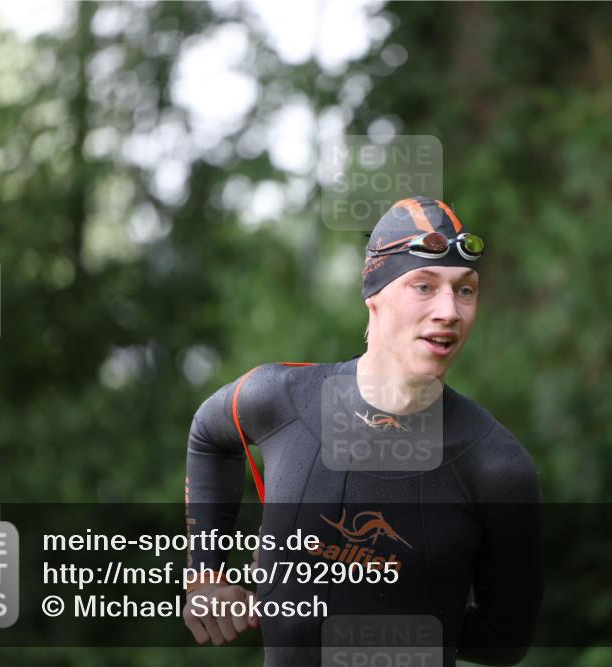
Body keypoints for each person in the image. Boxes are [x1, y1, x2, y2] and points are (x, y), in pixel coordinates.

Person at [184, 196, 543, 666]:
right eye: (424, 286)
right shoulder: (280, 398)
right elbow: (209, 437)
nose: (449, 311)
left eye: (465, 290)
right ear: (374, 294)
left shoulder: (497, 467)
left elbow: (505, 641)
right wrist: (205, 574)